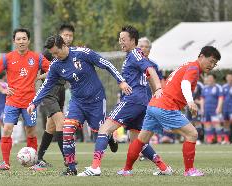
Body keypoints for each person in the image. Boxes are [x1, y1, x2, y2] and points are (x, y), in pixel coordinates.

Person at [27, 34, 132, 176]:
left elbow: (106, 64)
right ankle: (71, 168)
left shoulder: (83, 53)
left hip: (96, 100)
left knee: (99, 134)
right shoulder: (55, 65)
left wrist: (121, 81)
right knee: (68, 129)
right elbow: (46, 85)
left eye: (57, 52)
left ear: (64, 45)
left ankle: (109, 138)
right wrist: (34, 102)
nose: (55, 56)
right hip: (77, 102)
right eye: (53, 54)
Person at [119, 46, 221, 177]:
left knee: (141, 140)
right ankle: (189, 170)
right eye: (211, 61)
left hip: (154, 105)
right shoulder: (194, 68)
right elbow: (185, 83)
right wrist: (190, 101)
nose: (212, 65)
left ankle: (126, 169)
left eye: (215, 63)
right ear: (201, 56)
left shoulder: (188, 65)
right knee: (192, 134)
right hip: (165, 106)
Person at [78, 26, 165, 177]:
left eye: (123, 39)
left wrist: (158, 89)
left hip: (133, 100)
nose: (120, 42)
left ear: (133, 41)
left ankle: (95, 167)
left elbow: (150, 70)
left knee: (104, 129)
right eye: (119, 39)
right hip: (141, 102)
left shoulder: (135, 54)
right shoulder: (133, 56)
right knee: (137, 141)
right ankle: (164, 168)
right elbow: (148, 74)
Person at [0, 28, 50, 170]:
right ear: (14, 41)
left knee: (31, 131)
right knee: (7, 129)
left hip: (30, 102)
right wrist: (2, 88)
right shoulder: (7, 58)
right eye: (18, 39)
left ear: (28, 40)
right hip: (12, 101)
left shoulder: (37, 57)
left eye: (24, 38)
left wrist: (39, 77)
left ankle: (33, 163)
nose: (21, 41)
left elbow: (53, 69)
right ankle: (5, 163)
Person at [31, 24, 75, 171]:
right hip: (49, 92)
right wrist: (36, 77)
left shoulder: (70, 52)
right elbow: (41, 68)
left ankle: (39, 158)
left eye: (70, 35)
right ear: (59, 36)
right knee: (61, 122)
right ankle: (68, 160)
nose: (68, 38)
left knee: (51, 126)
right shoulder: (49, 52)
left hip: (61, 90)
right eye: (65, 35)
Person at [200, 74, 223, 144]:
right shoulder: (205, 88)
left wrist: (219, 108)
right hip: (206, 109)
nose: (209, 79)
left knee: (217, 124)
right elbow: (202, 99)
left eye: (210, 78)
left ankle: (219, 140)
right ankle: (209, 140)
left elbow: (221, 98)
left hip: (214, 109)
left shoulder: (218, 87)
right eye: (208, 78)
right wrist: (202, 108)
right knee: (207, 124)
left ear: (214, 79)